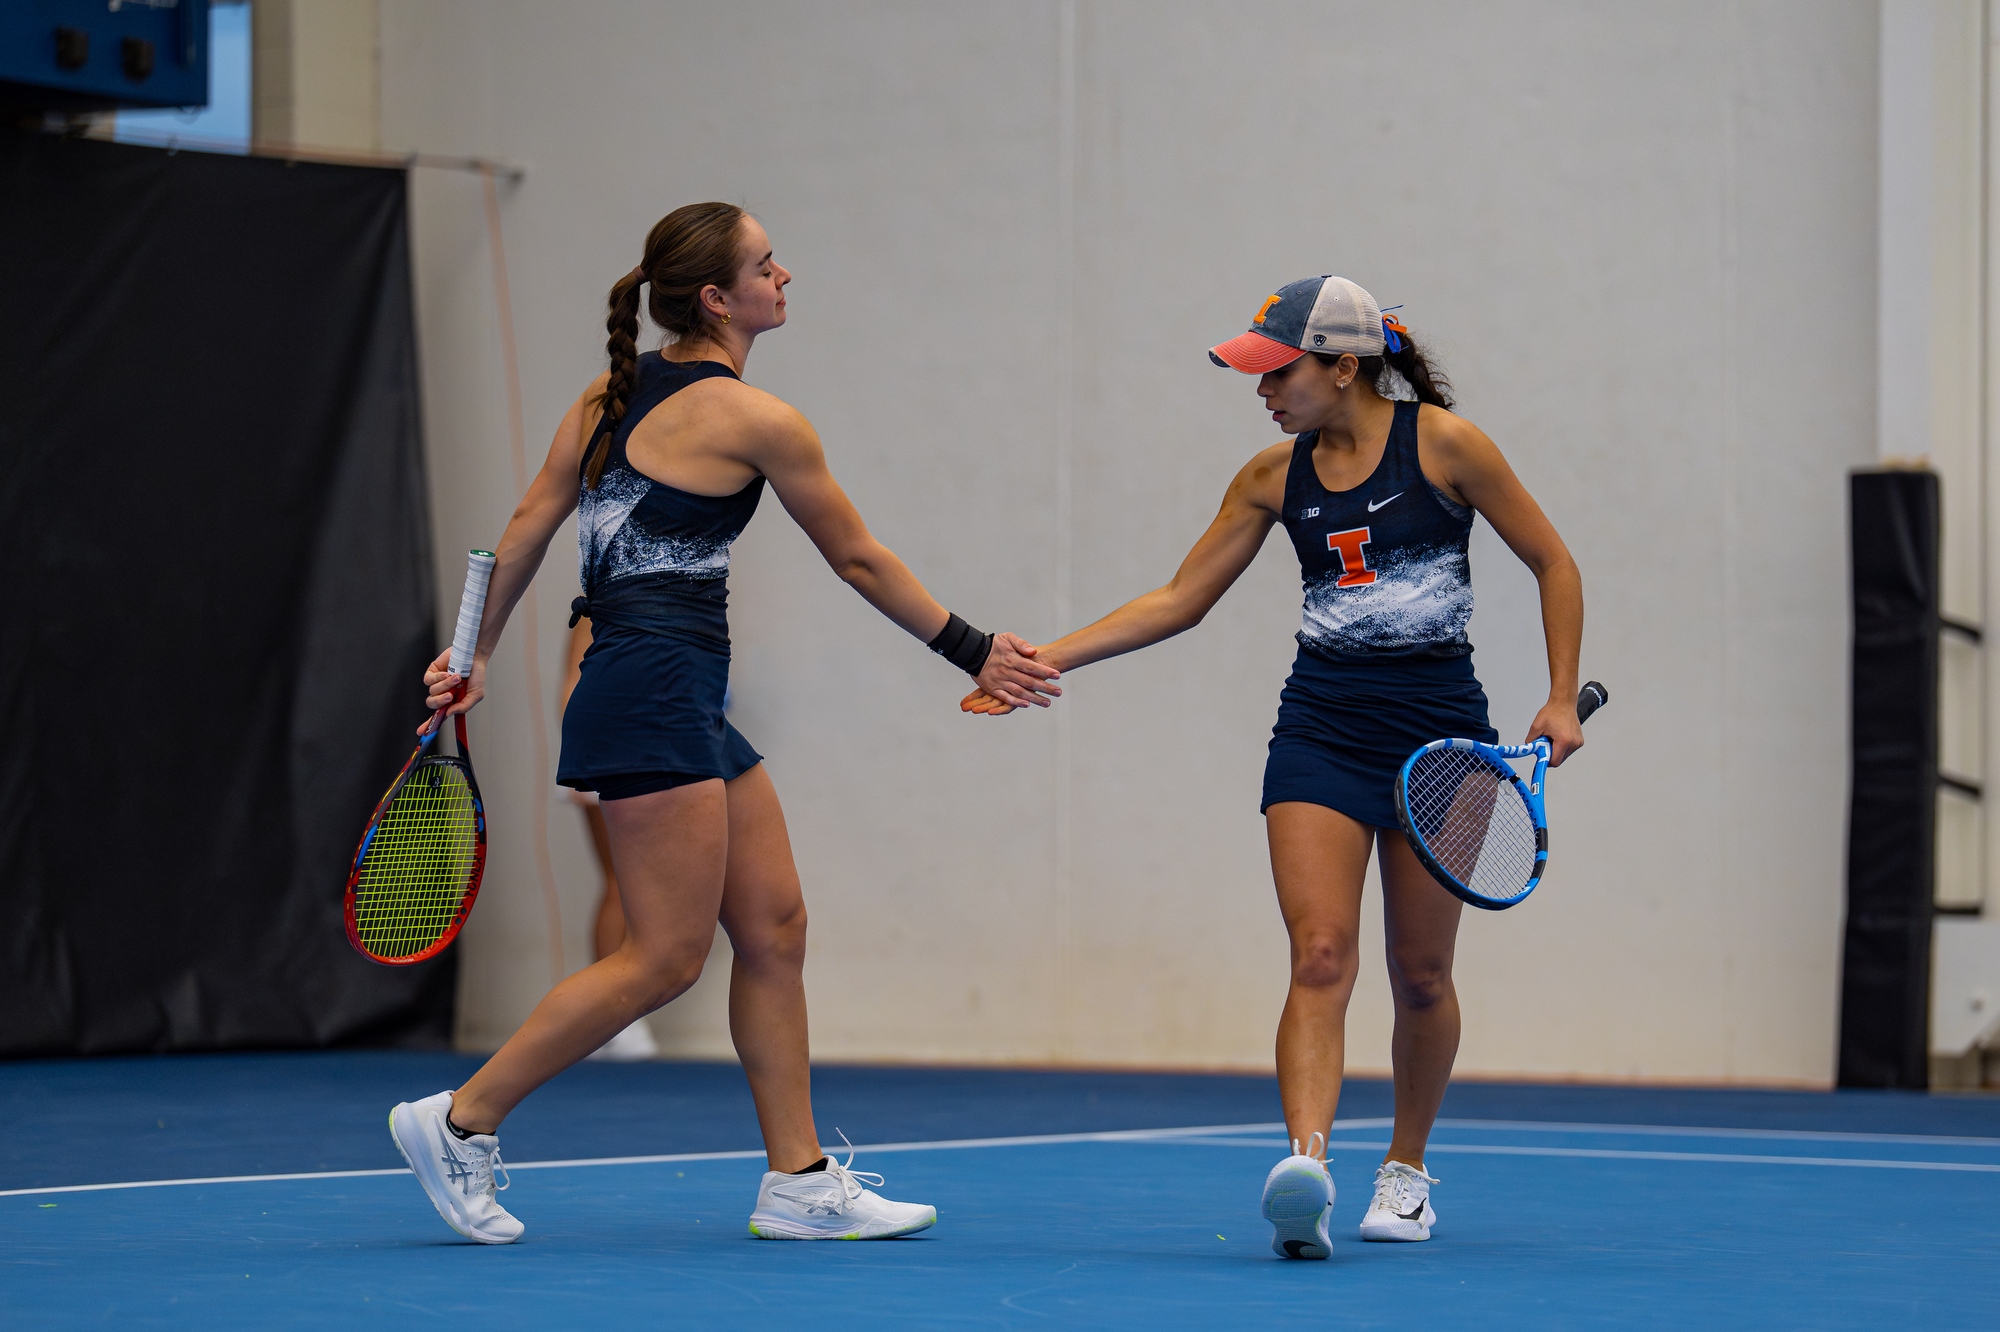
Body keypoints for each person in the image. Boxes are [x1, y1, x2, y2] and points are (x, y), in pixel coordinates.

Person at [389, 202, 1061, 1245]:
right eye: (764, 263)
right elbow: (857, 556)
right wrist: (975, 649)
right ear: (716, 296)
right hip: (652, 683)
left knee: (774, 925)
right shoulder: (756, 419)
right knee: (663, 958)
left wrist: (468, 649)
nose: (784, 274)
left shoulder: (607, 396)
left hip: (666, 684)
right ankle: (460, 1120)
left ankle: (795, 1180)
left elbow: (524, 525)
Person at [962, 275, 1584, 1258]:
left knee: (1420, 975)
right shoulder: (1267, 476)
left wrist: (1557, 693)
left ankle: (1407, 1171)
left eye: (1276, 372)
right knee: (1319, 956)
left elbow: (1553, 561)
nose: (1261, 391)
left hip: (1442, 744)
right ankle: (1306, 1171)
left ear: (1343, 367)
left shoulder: (1446, 447)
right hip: (1320, 733)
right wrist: (1043, 660)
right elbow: (1177, 600)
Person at [558, 614, 660, 1062]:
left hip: (650, 753)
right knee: (621, 885)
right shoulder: (603, 597)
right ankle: (613, 1021)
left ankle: (617, 1015)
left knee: (643, 890)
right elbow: (573, 681)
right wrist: (590, 760)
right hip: (604, 755)